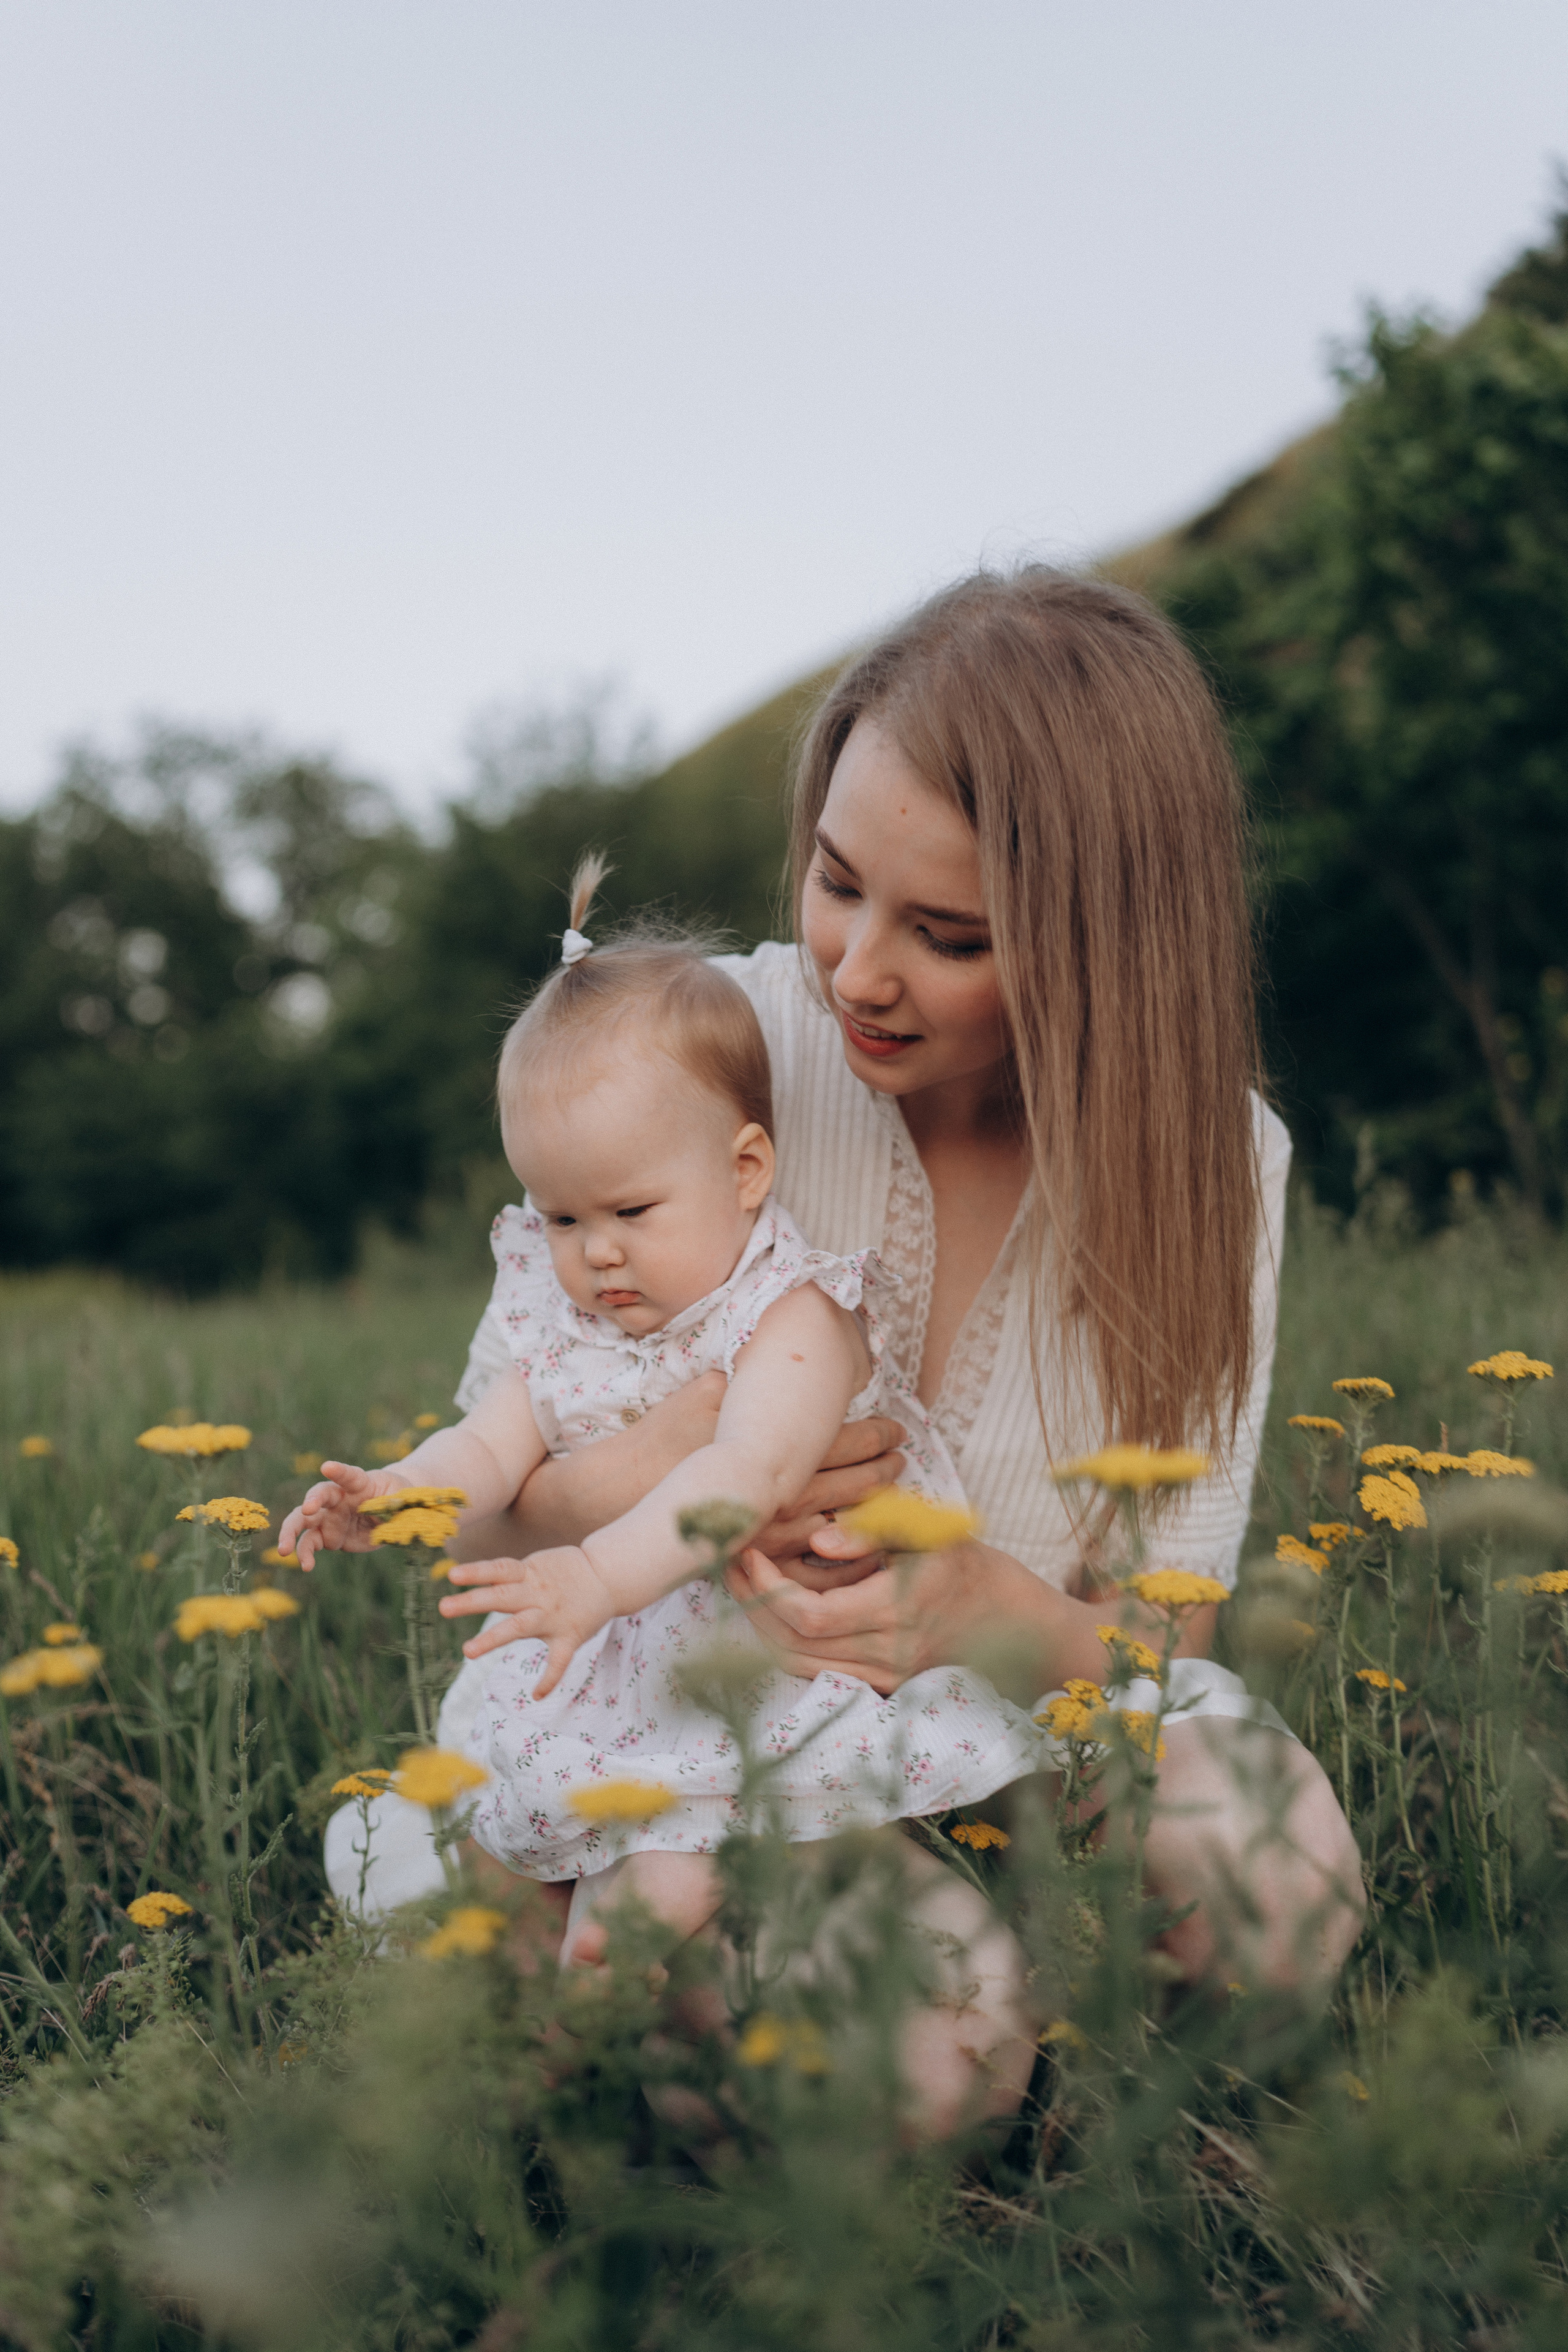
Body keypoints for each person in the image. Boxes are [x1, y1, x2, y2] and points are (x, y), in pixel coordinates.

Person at [446, 568, 1364, 2134]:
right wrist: (698, 1454)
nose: (857, 969)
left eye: (946, 935)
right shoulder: (704, 1045)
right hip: (717, 1746)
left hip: (1012, 1722)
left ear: (1098, 948)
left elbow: (1168, 1636)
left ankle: (1058, 2036)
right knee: (920, 2074)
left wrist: (987, 1611)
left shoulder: (1215, 1164)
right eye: (835, 880)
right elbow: (471, 1527)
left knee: (1279, 1883)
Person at [290, 867, 1042, 1961]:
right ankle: (556, 1996)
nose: (596, 1254)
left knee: (680, 1864)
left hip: (748, 1660)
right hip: (603, 1671)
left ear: (746, 1170)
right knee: (524, 1852)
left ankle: (611, 1990)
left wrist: (598, 1576)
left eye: (631, 1210)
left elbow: (746, 1472)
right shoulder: (567, 1323)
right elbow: (490, 1444)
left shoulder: (793, 1314)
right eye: (560, 1218)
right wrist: (404, 1494)